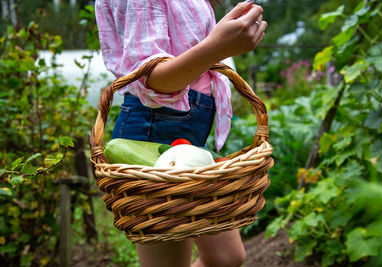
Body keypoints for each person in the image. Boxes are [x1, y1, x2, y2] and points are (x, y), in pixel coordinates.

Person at [95, 0, 267, 266]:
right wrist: (218, 46)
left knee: (226, 257)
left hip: (184, 136)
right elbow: (152, 78)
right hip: (153, 131)